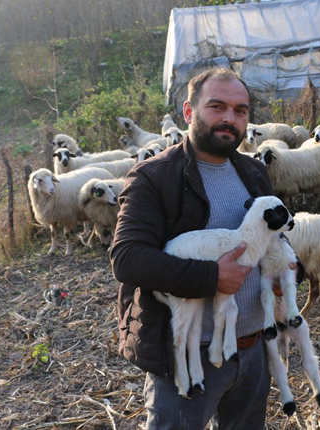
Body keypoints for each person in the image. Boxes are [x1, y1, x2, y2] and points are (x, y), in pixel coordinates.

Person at [110, 68, 275, 429]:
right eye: (217, 107)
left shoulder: (254, 173)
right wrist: (212, 276)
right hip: (187, 354)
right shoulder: (154, 177)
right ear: (188, 112)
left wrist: (286, 269)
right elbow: (127, 258)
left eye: (240, 110)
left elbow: (273, 238)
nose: (230, 119)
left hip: (250, 349)